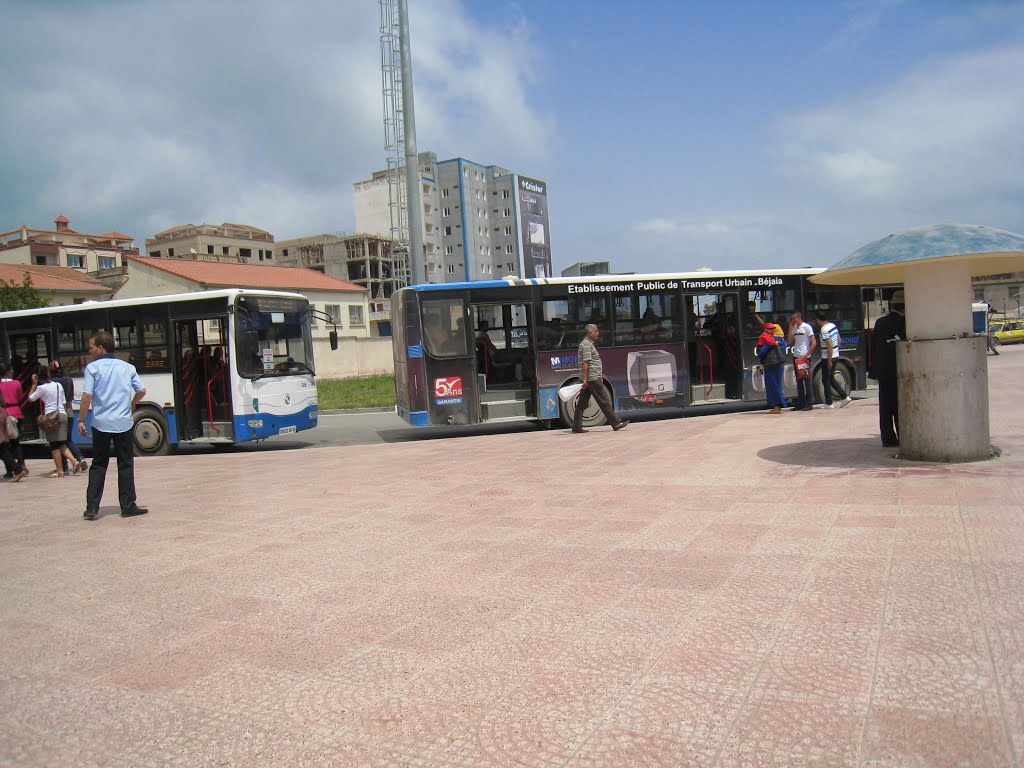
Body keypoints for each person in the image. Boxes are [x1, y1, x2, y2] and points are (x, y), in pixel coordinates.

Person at [77, 332, 149, 520]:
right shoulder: (127, 367)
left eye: (91, 347)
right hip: (124, 423)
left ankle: (92, 507)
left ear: (101, 348)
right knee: (125, 464)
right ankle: (128, 506)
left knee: (99, 464)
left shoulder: (92, 368)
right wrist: (132, 404)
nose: (90, 350)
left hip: (101, 423)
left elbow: (86, 396)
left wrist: (81, 420)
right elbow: (141, 390)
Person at [572, 324, 628, 433]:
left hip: (591, 377)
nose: (598, 333)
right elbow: (586, 363)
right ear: (590, 333)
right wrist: (585, 379)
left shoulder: (586, 344)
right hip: (592, 378)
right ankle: (616, 423)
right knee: (604, 401)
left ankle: (576, 427)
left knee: (582, 404)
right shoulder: (587, 345)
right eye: (596, 331)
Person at [868, 290, 906, 447]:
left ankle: (888, 437)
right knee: (899, 405)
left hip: (882, 370)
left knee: (885, 406)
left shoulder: (880, 322)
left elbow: (875, 346)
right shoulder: (904, 322)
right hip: (898, 369)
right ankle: (902, 435)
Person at [26, 365, 79, 478]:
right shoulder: (58, 385)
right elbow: (64, 402)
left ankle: (60, 470)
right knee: (61, 444)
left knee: (54, 445)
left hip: (51, 417)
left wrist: (34, 384)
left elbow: (30, 398)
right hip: (62, 415)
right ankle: (74, 462)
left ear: (39, 377)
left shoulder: (42, 388)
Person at [50, 361, 88, 474]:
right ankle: (79, 459)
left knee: (59, 441)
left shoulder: (53, 382)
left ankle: (67, 464)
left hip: (58, 414)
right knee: (67, 439)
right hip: (69, 412)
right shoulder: (68, 379)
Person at [814, 312, 852, 409]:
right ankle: (842, 397)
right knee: (830, 378)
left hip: (827, 357)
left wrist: (829, 360)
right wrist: (836, 352)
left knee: (826, 379)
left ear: (818, 320)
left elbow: (829, 345)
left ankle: (829, 402)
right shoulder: (832, 325)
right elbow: (839, 340)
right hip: (835, 355)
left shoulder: (824, 330)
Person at [1, 360, 28, 480]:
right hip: (16, 412)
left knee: (5, 443)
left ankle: (10, 470)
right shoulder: (17, 383)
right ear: (7, 371)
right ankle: (22, 465)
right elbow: (20, 396)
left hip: (5, 413)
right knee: (16, 442)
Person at [787, 311, 818, 411]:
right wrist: (790, 328)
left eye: (794, 318)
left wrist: (807, 354)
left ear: (799, 318)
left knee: (807, 380)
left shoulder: (807, 327)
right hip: (796, 356)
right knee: (799, 380)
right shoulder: (794, 328)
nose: (793, 320)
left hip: (804, 357)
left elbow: (814, 342)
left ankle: (809, 403)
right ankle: (801, 402)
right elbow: (789, 342)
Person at [757, 322, 788, 414]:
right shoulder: (783, 341)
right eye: (769, 329)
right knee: (777, 384)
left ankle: (776, 406)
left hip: (771, 365)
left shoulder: (769, 339)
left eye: (772, 329)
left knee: (771, 385)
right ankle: (780, 404)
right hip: (779, 364)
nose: (771, 330)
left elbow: (761, 352)